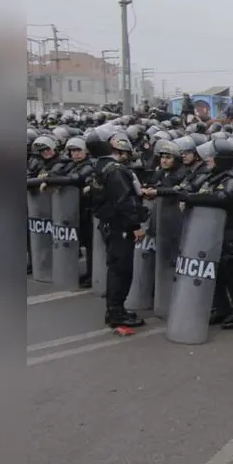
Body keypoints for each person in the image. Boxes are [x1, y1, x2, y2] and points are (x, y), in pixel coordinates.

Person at [179, 139, 233, 329]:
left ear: (221, 159)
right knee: (216, 273)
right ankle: (223, 309)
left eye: (212, 157)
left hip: (230, 232)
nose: (208, 160)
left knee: (232, 275)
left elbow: (223, 197)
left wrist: (191, 198)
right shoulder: (215, 175)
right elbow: (190, 187)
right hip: (213, 231)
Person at [87, 129, 148, 328]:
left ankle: (115, 310)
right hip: (119, 226)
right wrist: (135, 226)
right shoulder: (115, 169)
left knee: (115, 268)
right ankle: (116, 313)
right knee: (121, 270)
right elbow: (125, 201)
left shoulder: (100, 166)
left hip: (108, 224)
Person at [34, 136, 96, 286]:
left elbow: (75, 179)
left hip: (87, 208)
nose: (75, 154)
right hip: (74, 208)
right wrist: (49, 178)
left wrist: (49, 181)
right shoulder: (72, 164)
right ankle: (83, 273)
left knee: (90, 244)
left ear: (86, 151)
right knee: (80, 241)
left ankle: (92, 274)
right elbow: (59, 174)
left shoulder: (88, 165)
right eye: (72, 151)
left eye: (78, 150)